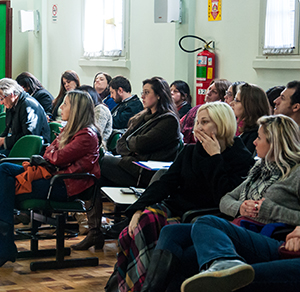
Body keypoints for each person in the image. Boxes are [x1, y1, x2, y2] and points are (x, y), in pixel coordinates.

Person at [105, 102, 255, 292]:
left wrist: (215, 158)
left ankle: (141, 287)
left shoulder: (240, 157)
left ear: (222, 125)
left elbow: (224, 197)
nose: (198, 128)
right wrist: (137, 208)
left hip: (204, 215)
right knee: (138, 224)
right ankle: (135, 286)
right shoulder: (190, 150)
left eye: (205, 122)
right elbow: (165, 183)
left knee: (147, 224)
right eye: (198, 122)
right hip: (176, 208)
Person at [141, 114, 300, 292]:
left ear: (275, 143)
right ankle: (150, 289)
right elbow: (226, 199)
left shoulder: (295, 174)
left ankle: (224, 262)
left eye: (259, 138)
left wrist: (270, 210)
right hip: (243, 228)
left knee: (201, 231)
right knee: (171, 231)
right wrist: (240, 207)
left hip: (265, 234)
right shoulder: (259, 169)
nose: (254, 142)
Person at [0, 90, 101, 267]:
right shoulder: (69, 130)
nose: (61, 107)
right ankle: (0, 225)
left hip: (64, 185)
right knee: (4, 168)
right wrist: (51, 155)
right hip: (54, 177)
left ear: (76, 110)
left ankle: (2, 241)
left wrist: (51, 155)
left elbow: (57, 157)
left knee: (6, 190)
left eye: (65, 104)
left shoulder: (87, 135)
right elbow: (49, 151)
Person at [74, 77, 181, 252]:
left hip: (147, 173)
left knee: (98, 160)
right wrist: (132, 147)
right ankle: (95, 232)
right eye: (143, 91)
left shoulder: (168, 121)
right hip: (130, 165)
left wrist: (132, 146)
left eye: (147, 92)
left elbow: (141, 144)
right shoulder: (143, 117)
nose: (143, 96)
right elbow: (121, 143)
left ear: (159, 96)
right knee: (93, 178)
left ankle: (103, 228)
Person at [0, 78, 50, 156]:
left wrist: (3, 141)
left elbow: (28, 137)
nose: (1, 103)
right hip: (17, 144)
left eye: (1, 99)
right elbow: (8, 128)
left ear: (12, 94)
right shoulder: (11, 104)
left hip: (31, 150)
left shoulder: (28, 106)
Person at [180, 79, 232, 144]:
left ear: (223, 96)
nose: (208, 93)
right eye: (209, 89)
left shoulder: (223, 116)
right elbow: (180, 124)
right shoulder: (197, 109)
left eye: (214, 92)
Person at [231, 83, 269, 153]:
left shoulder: (256, 133)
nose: (232, 103)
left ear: (249, 105)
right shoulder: (236, 125)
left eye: (236, 101)